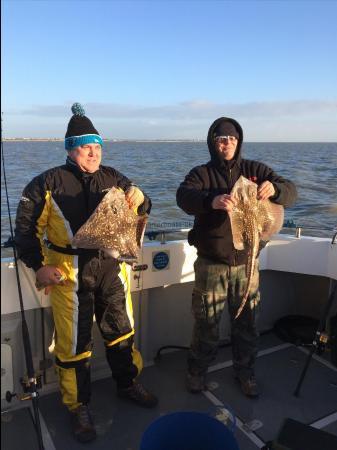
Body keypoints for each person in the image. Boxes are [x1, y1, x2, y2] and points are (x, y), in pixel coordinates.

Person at [14, 103, 158, 443]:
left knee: (122, 332)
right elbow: (24, 230)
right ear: (70, 149)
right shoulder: (45, 183)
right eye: (86, 147)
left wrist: (139, 197)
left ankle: (128, 383)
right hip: (67, 275)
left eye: (97, 147)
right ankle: (78, 405)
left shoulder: (114, 177)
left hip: (111, 269)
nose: (94, 153)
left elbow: (144, 206)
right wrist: (39, 266)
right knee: (73, 346)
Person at [176, 117, 297, 398]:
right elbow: (183, 197)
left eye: (231, 138)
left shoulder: (255, 170)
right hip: (211, 264)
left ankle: (246, 373)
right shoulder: (202, 174)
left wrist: (275, 190)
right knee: (206, 323)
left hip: (248, 262)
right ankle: (197, 372)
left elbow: (291, 192)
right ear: (213, 142)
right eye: (221, 139)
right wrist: (211, 201)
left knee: (247, 323)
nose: (226, 143)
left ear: (238, 141)